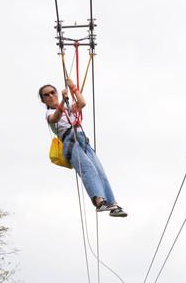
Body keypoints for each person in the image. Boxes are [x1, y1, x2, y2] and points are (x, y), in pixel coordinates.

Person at [39, 80, 127, 217]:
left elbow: (82, 103)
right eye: (46, 95)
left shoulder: (69, 108)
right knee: (88, 168)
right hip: (70, 141)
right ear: (43, 100)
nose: (50, 96)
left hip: (82, 139)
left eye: (52, 92)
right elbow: (55, 118)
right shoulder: (49, 113)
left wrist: (72, 87)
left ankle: (112, 204)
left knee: (100, 172)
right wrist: (62, 101)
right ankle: (99, 201)